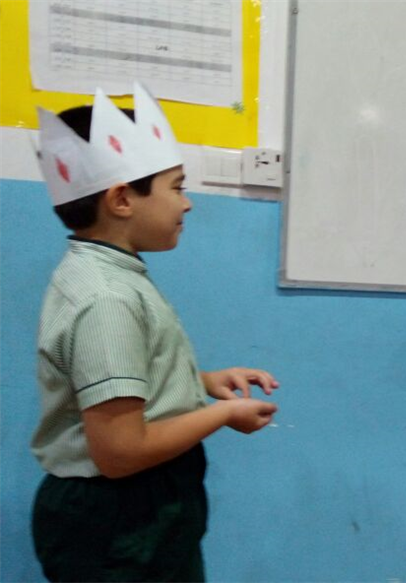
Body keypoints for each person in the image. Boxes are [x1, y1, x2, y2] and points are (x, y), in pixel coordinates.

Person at [30, 83, 280, 582]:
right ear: (122, 199)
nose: (187, 204)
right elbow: (120, 453)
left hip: (136, 511)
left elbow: (117, 377)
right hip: (122, 520)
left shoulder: (105, 274)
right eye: (177, 187)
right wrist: (222, 414)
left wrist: (199, 381)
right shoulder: (108, 299)